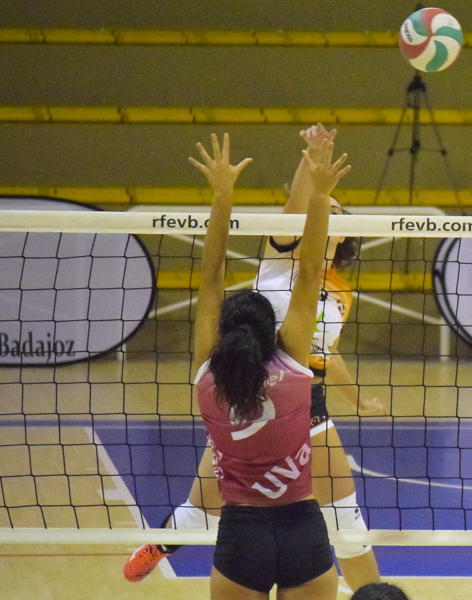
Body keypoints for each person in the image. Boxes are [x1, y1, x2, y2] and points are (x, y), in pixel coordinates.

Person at [124, 126, 383, 590]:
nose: (325, 218)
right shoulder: (281, 259)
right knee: (198, 514)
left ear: (344, 238)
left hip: (301, 403)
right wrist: (311, 160)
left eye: (336, 215)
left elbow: (328, 356)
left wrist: (358, 400)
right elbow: (297, 209)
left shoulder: (341, 295)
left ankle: (376, 594)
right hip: (236, 391)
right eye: (328, 211)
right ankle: (157, 545)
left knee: (347, 526)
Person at [189, 133, 345, 598]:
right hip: (303, 530)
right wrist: (320, 195)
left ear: (223, 336)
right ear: (272, 334)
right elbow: (310, 273)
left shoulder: (207, 377)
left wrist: (221, 195)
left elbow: (211, 277)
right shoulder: (296, 367)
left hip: (241, 535)